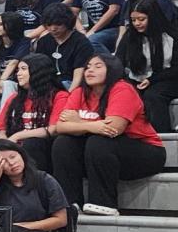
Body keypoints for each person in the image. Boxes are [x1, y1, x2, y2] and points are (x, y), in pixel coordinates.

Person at [49, 54, 167, 216]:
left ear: (112, 69)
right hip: (102, 153)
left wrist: (79, 122)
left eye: (98, 66)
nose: (90, 70)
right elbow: (61, 127)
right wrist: (92, 125)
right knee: (64, 143)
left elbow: (113, 129)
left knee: (98, 141)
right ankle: (70, 203)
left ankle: (104, 202)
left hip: (145, 153)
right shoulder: (79, 92)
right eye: (88, 67)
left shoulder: (122, 88)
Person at [0, 54, 67, 173]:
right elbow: (2, 130)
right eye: (18, 70)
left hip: (43, 150)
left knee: (32, 143)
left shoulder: (59, 96)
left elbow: (53, 129)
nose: (18, 74)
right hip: (15, 149)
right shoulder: (14, 98)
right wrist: (4, 146)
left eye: (23, 69)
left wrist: (17, 136)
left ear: (38, 71)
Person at [118, 0, 178, 132]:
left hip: (167, 79)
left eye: (141, 19)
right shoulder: (130, 36)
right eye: (133, 20)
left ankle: (161, 134)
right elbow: (118, 62)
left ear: (153, 17)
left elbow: (176, 69)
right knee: (126, 93)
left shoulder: (171, 35)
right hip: (138, 78)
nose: (137, 23)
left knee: (153, 96)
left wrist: (151, 80)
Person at [33, 3, 93, 91]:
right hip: (49, 85)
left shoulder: (81, 41)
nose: (53, 28)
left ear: (67, 22)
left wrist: (68, 95)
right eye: (49, 25)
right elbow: (39, 70)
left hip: (72, 85)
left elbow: (79, 75)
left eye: (58, 24)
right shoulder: (44, 41)